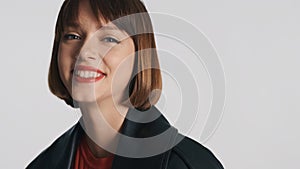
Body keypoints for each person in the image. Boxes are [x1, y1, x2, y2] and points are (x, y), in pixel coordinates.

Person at [26, 0, 224, 168]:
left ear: (140, 56)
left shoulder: (188, 164)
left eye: (109, 38)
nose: (85, 51)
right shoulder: (43, 164)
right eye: (73, 36)